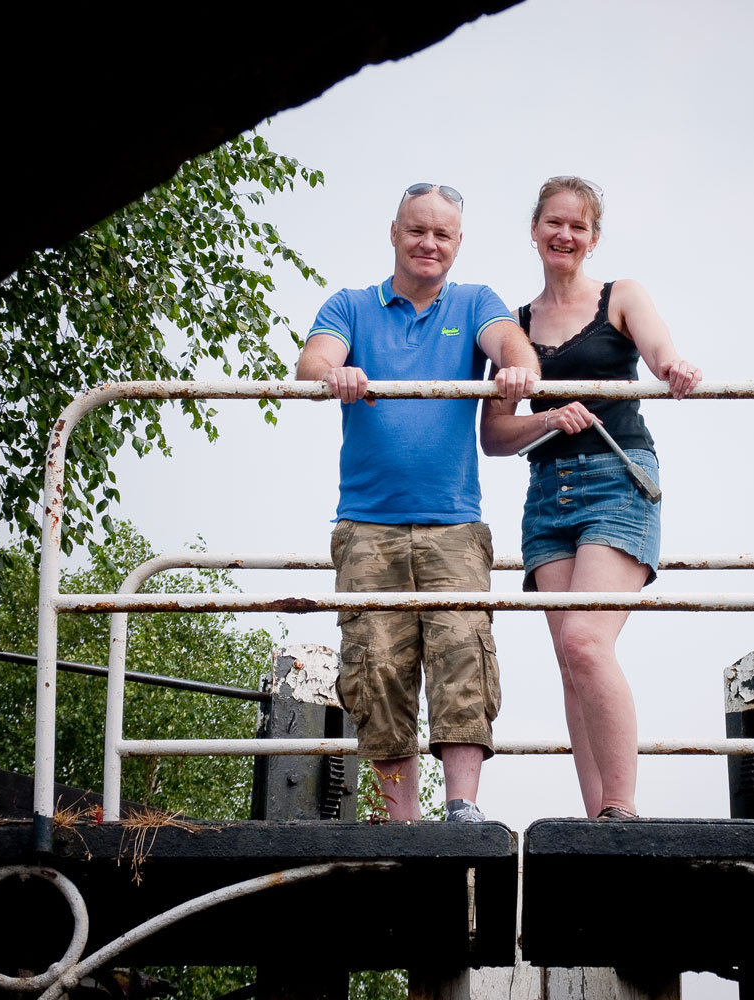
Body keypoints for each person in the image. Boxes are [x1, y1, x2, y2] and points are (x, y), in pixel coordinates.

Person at [297, 183, 540, 823]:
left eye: (442, 234)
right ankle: (398, 822)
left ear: (458, 243)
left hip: (453, 524)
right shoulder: (351, 305)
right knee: (375, 669)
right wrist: (335, 374)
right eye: (417, 231)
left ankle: (462, 807)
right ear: (394, 233)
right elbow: (312, 361)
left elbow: (511, 344)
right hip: (366, 526)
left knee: (463, 656)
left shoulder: (474, 301)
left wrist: (516, 369)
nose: (429, 243)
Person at [480, 176, 702, 820]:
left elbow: (660, 351)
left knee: (585, 641)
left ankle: (621, 810)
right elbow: (494, 436)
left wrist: (674, 366)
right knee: (570, 660)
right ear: (534, 230)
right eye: (554, 222)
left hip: (617, 476)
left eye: (578, 226)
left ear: (594, 238)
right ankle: (596, 820)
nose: (565, 235)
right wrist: (549, 418)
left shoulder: (621, 296)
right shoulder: (514, 327)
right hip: (548, 494)